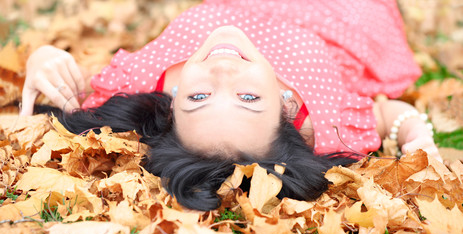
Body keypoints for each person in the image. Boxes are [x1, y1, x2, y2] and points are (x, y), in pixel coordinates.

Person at [20, 0, 441, 210]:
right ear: (284, 111)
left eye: (197, 97)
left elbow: (69, 90)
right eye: (249, 98)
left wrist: (42, 58)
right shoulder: (323, 121)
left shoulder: (142, 84)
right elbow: (390, 114)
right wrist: (421, 141)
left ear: (170, 109)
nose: (222, 74)